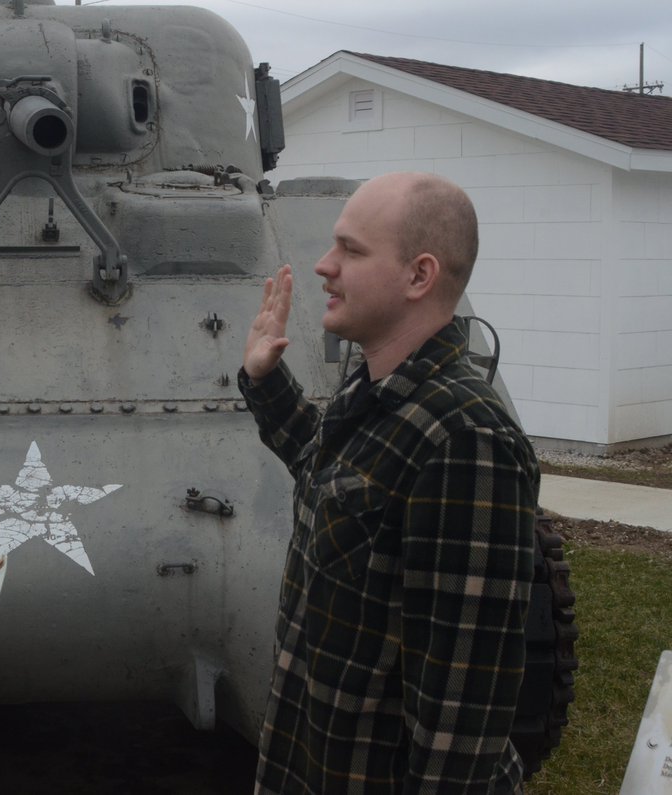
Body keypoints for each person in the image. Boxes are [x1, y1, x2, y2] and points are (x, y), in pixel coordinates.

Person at [240, 172, 539, 793]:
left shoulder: (466, 441)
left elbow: (462, 716)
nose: (325, 265)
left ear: (419, 276)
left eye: (351, 250)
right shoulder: (378, 389)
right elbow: (341, 493)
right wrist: (267, 385)